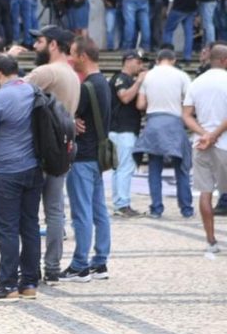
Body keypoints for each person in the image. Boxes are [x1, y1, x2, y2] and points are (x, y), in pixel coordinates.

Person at [0, 54, 43, 301]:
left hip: (6, 170)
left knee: (8, 229)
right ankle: (30, 283)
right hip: (33, 168)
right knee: (30, 226)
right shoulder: (33, 90)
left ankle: (8, 284)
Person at [22, 25, 80, 285]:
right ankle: (53, 267)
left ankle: (30, 266)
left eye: (40, 41)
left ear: (54, 45)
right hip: (64, 147)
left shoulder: (46, 72)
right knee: (55, 210)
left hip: (39, 148)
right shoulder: (71, 73)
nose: (35, 46)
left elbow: (13, 94)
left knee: (30, 211)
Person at [60, 36, 113, 283]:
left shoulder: (87, 87)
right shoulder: (104, 83)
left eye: (72, 53)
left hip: (82, 157)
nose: (69, 58)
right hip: (97, 158)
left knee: (81, 212)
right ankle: (100, 261)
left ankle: (80, 264)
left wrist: (70, 121)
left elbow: (71, 117)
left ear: (83, 56)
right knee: (98, 209)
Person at [134, 49, 193, 219]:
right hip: (174, 122)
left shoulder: (149, 76)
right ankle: (186, 208)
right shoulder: (182, 76)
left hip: (154, 122)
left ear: (158, 60)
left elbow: (140, 104)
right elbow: (189, 102)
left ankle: (156, 208)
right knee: (181, 167)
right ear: (173, 60)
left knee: (154, 167)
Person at [182, 44, 227, 254]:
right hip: (223, 143)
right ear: (224, 60)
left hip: (200, 144)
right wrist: (214, 135)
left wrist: (204, 134)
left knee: (205, 192)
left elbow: (186, 114)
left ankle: (210, 240)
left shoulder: (196, 82)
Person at [108, 52, 146, 217]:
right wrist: (139, 81)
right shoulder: (121, 78)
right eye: (138, 62)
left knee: (120, 168)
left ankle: (119, 203)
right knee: (125, 168)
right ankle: (122, 204)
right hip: (122, 130)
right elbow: (124, 97)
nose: (141, 66)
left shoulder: (125, 79)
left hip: (123, 129)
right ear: (129, 61)